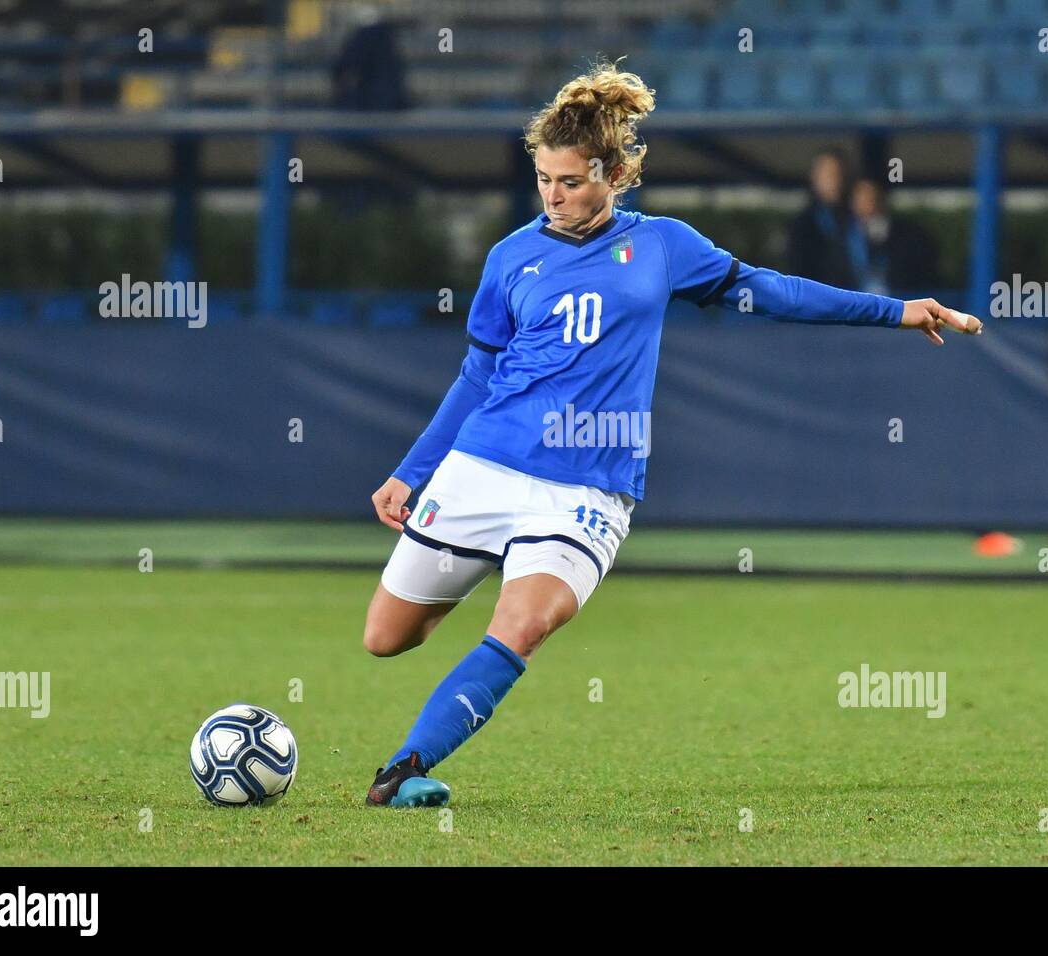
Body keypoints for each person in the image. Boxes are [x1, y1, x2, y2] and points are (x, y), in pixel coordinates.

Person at [362, 61, 981, 808]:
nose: (556, 197)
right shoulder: (509, 259)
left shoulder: (662, 245)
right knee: (389, 637)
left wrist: (894, 311)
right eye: (545, 181)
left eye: (572, 181)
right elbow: (475, 376)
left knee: (525, 624)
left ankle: (401, 770)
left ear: (615, 172)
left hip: (589, 489)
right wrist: (411, 470)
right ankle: (485, 565)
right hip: (486, 465)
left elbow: (771, 291)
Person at [848, 178, 937, 296]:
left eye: (872, 197)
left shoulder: (910, 235)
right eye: (861, 198)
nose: (868, 203)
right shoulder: (844, 238)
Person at [787, 147, 860, 288]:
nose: (834, 181)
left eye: (838, 174)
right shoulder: (803, 225)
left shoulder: (855, 217)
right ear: (814, 177)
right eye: (828, 174)